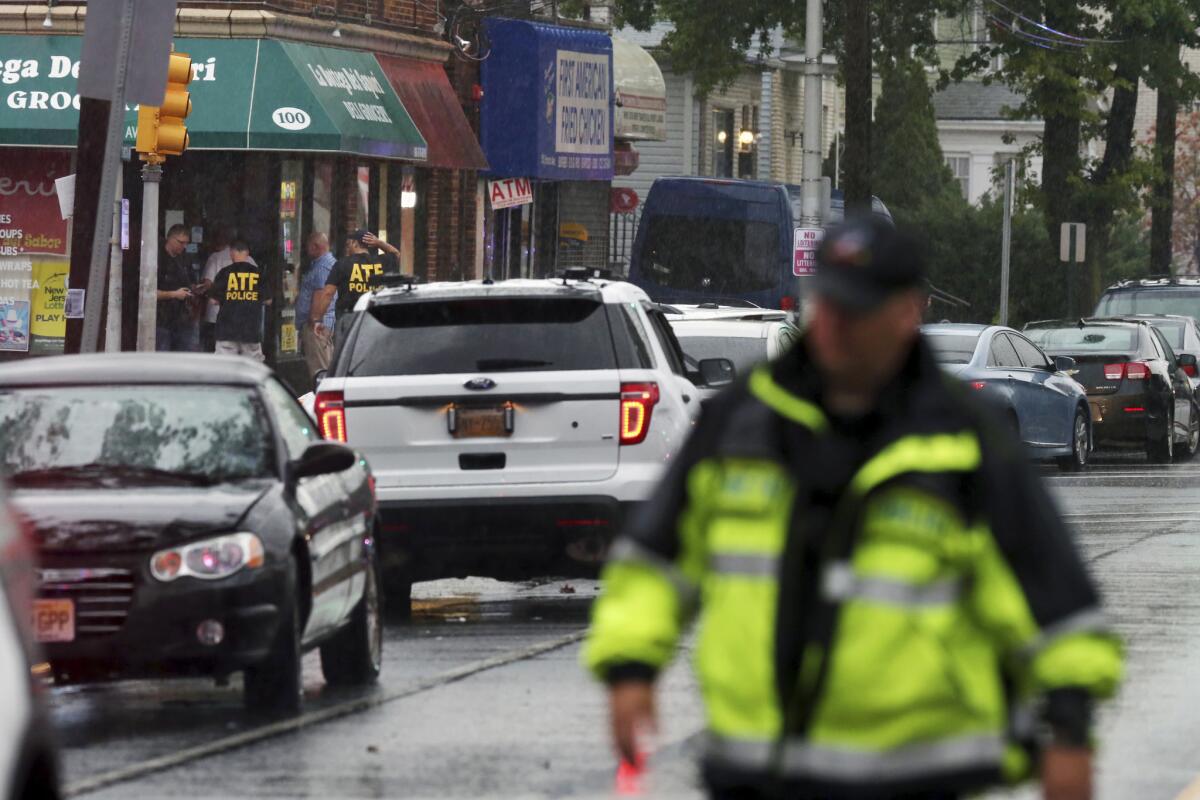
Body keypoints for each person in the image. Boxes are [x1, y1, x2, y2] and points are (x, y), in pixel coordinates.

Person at [584, 217, 1123, 800]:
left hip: (918, 778)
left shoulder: (965, 443)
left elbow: (1053, 595)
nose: (836, 326)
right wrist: (629, 669)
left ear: (907, 313)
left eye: (857, 310)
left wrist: (1069, 732)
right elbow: (654, 561)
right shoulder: (740, 426)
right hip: (760, 773)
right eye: (829, 305)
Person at [308, 228, 400, 341]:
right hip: (374, 320)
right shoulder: (380, 262)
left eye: (348, 244)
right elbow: (396, 254)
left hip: (349, 320)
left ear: (355, 243)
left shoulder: (342, 264)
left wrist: (317, 319)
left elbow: (328, 293)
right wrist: (379, 243)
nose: (347, 248)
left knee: (346, 354)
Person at [209, 241, 270, 362]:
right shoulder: (258, 273)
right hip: (251, 329)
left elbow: (213, 301)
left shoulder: (224, 273)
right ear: (247, 253)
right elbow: (268, 301)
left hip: (227, 329)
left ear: (231, 252)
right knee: (252, 368)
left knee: (224, 367)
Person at [201, 225, 256, 352]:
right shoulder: (250, 260)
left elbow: (207, 284)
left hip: (217, 317)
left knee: (216, 353)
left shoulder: (216, 257)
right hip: (243, 317)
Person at [156, 224, 205, 352]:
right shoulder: (158, 259)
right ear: (170, 239)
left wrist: (195, 288)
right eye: (181, 242)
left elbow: (190, 282)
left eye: (186, 243)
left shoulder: (184, 259)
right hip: (162, 319)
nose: (184, 246)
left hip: (183, 319)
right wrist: (174, 294)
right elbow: (148, 292)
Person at [297, 232, 336, 376]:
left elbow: (321, 293)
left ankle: (323, 397)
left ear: (315, 247)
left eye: (308, 246)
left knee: (320, 370)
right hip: (322, 324)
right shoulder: (327, 264)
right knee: (323, 365)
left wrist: (314, 321)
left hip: (317, 327)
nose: (306, 250)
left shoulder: (321, 267)